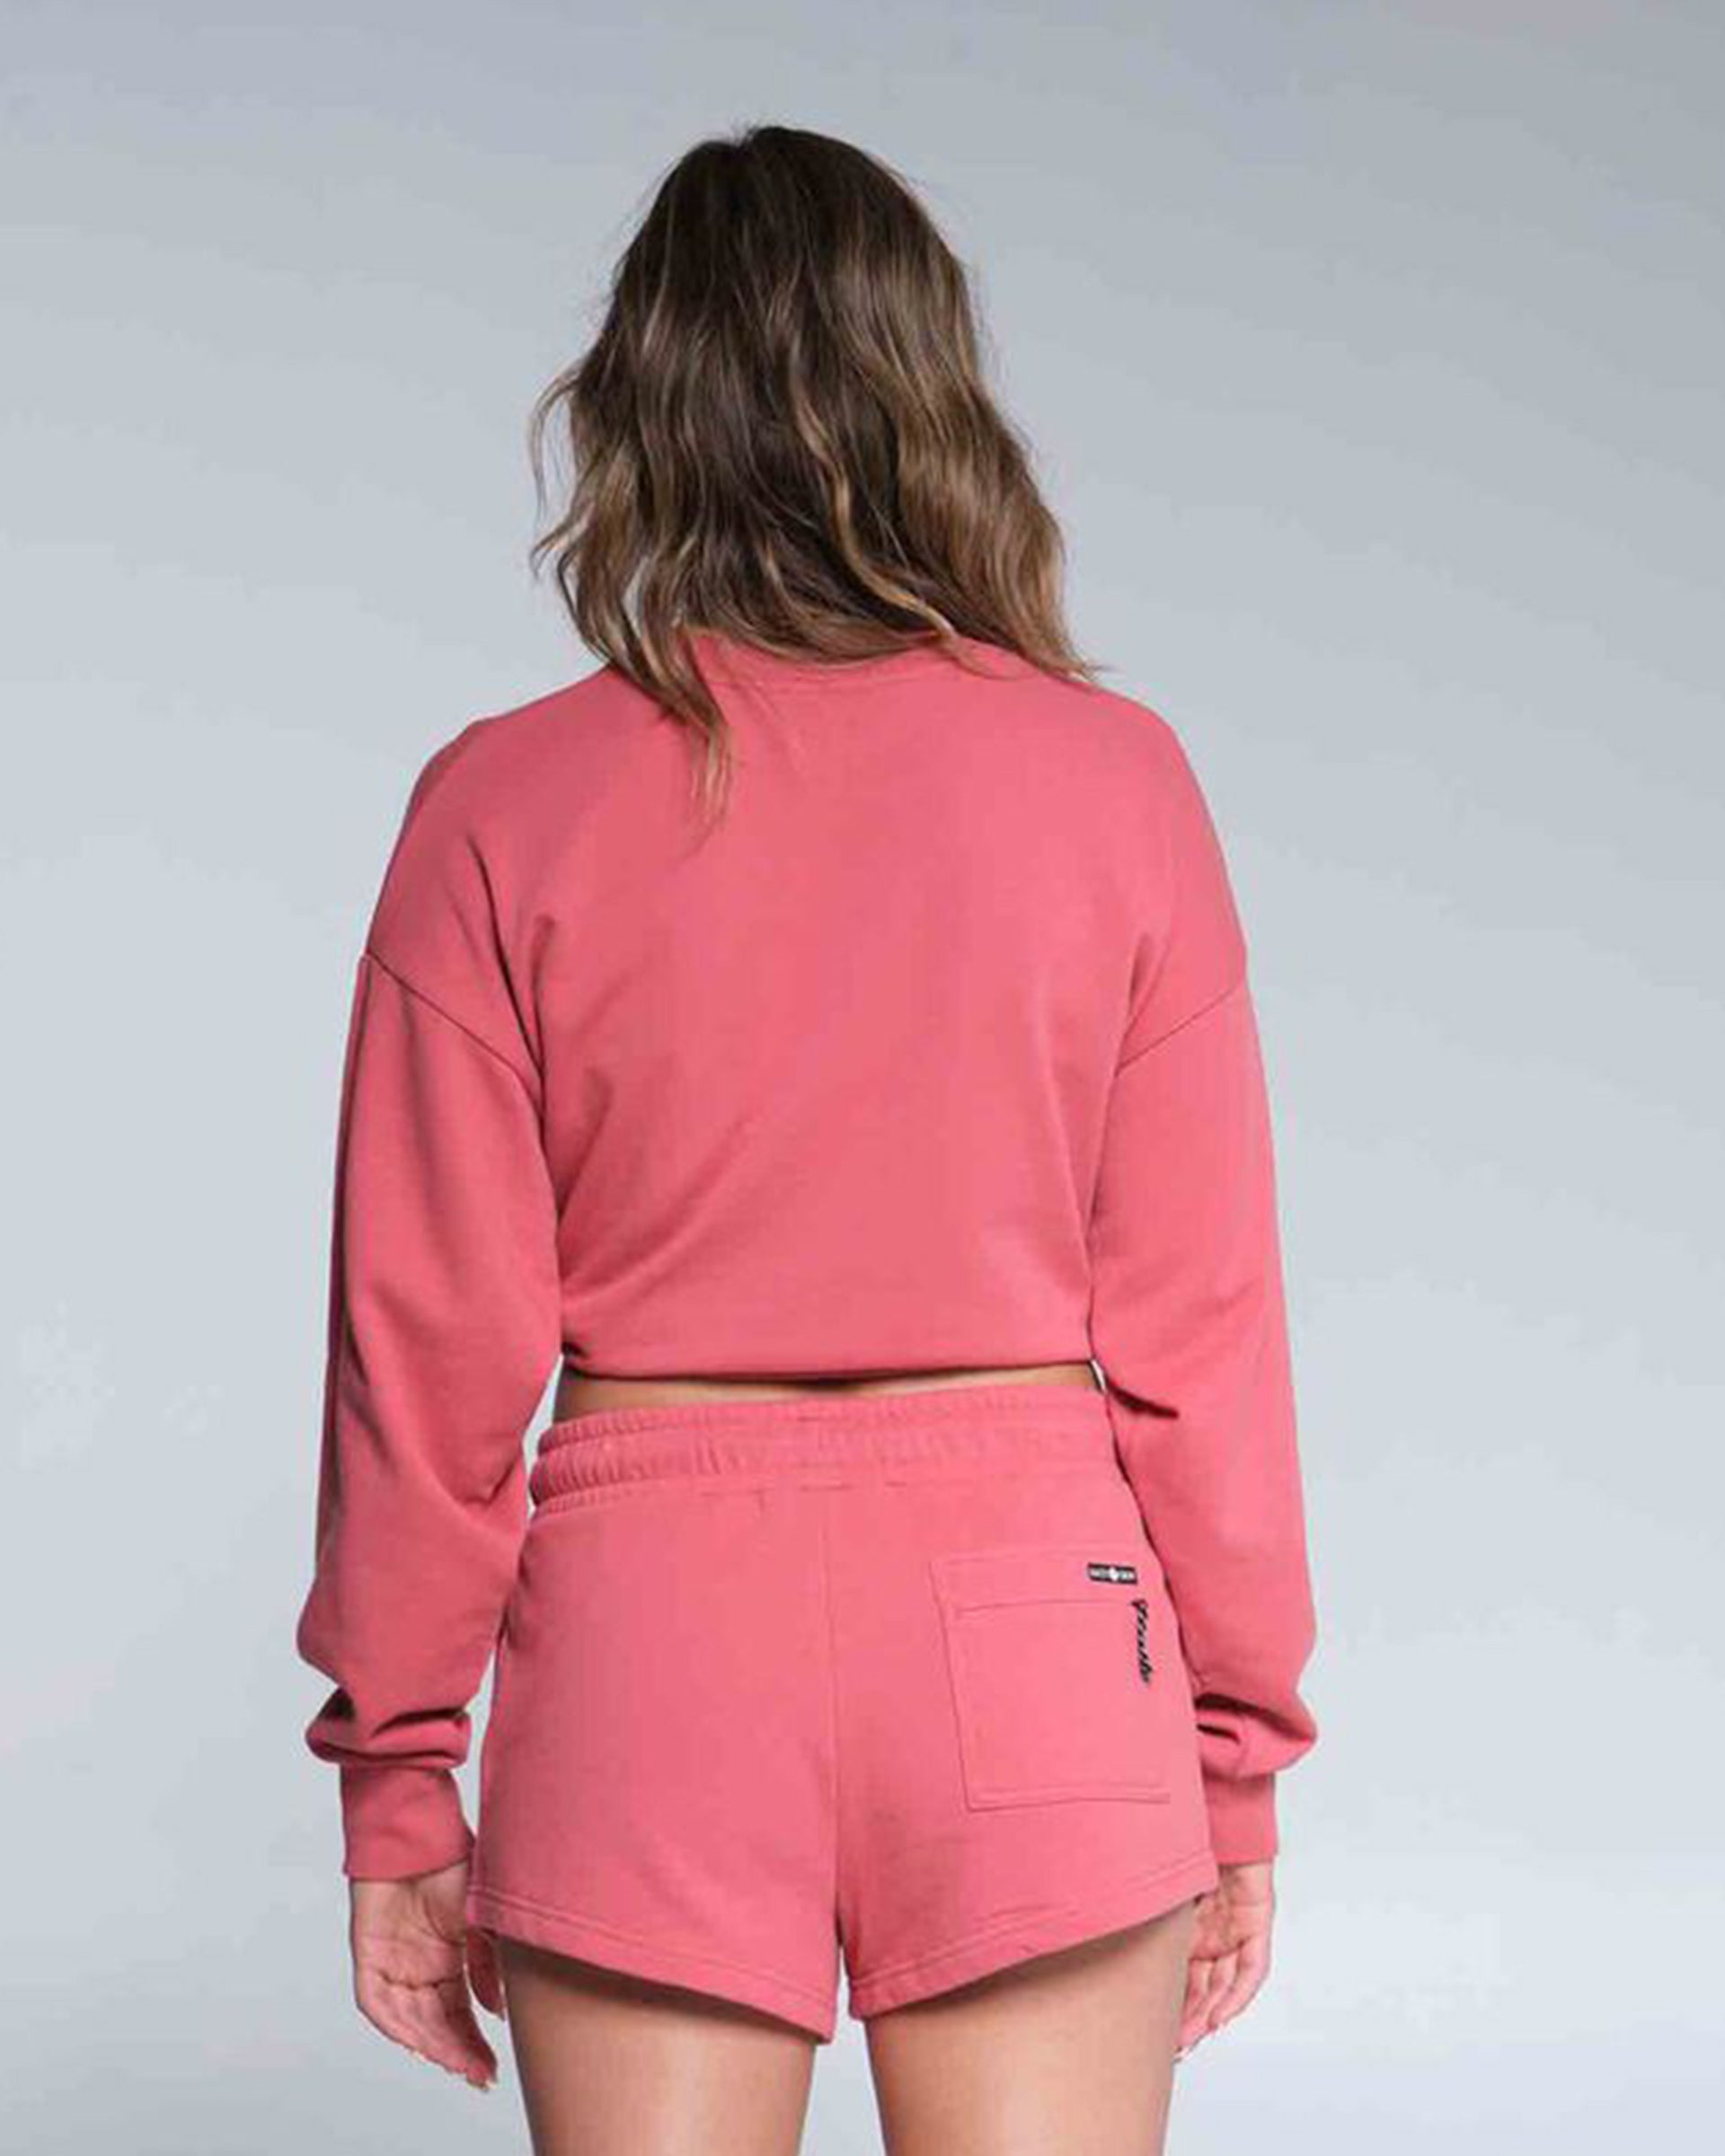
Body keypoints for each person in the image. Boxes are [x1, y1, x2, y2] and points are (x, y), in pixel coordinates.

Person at [294, 123, 1319, 2156]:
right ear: (939, 402)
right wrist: (1232, 1755)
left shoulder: (500, 805)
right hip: (1038, 1616)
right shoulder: (1118, 785)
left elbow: (426, 1346)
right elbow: (1200, 1327)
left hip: (656, 1632)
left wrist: (399, 1775)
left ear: (634, 416)